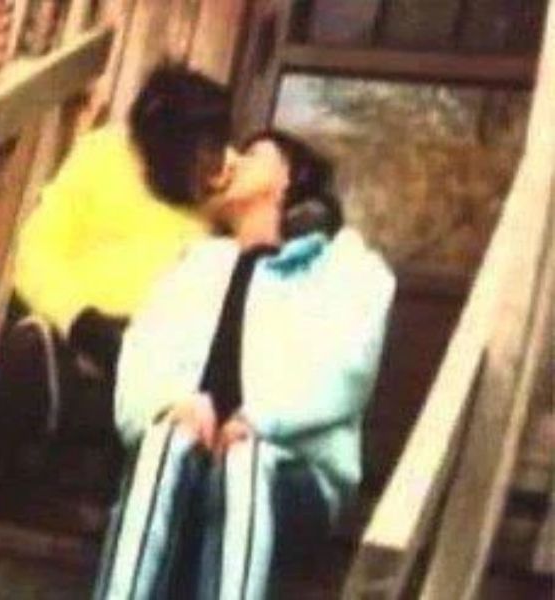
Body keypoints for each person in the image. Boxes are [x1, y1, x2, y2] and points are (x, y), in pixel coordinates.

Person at [107, 130, 395, 598]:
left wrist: (258, 418)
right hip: (186, 470)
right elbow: (139, 356)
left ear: (289, 179)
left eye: (252, 153)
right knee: (164, 441)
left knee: (246, 460)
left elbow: (349, 371)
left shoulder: (345, 264)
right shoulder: (194, 265)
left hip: (293, 477)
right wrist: (170, 407)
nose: (232, 160)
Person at [0, 64, 236, 454]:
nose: (216, 160)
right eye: (207, 146)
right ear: (170, 142)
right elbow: (37, 253)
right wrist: (81, 321)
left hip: (156, 356)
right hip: (76, 328)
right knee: (29, 357)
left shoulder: (222, 189)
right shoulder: (104, 155)